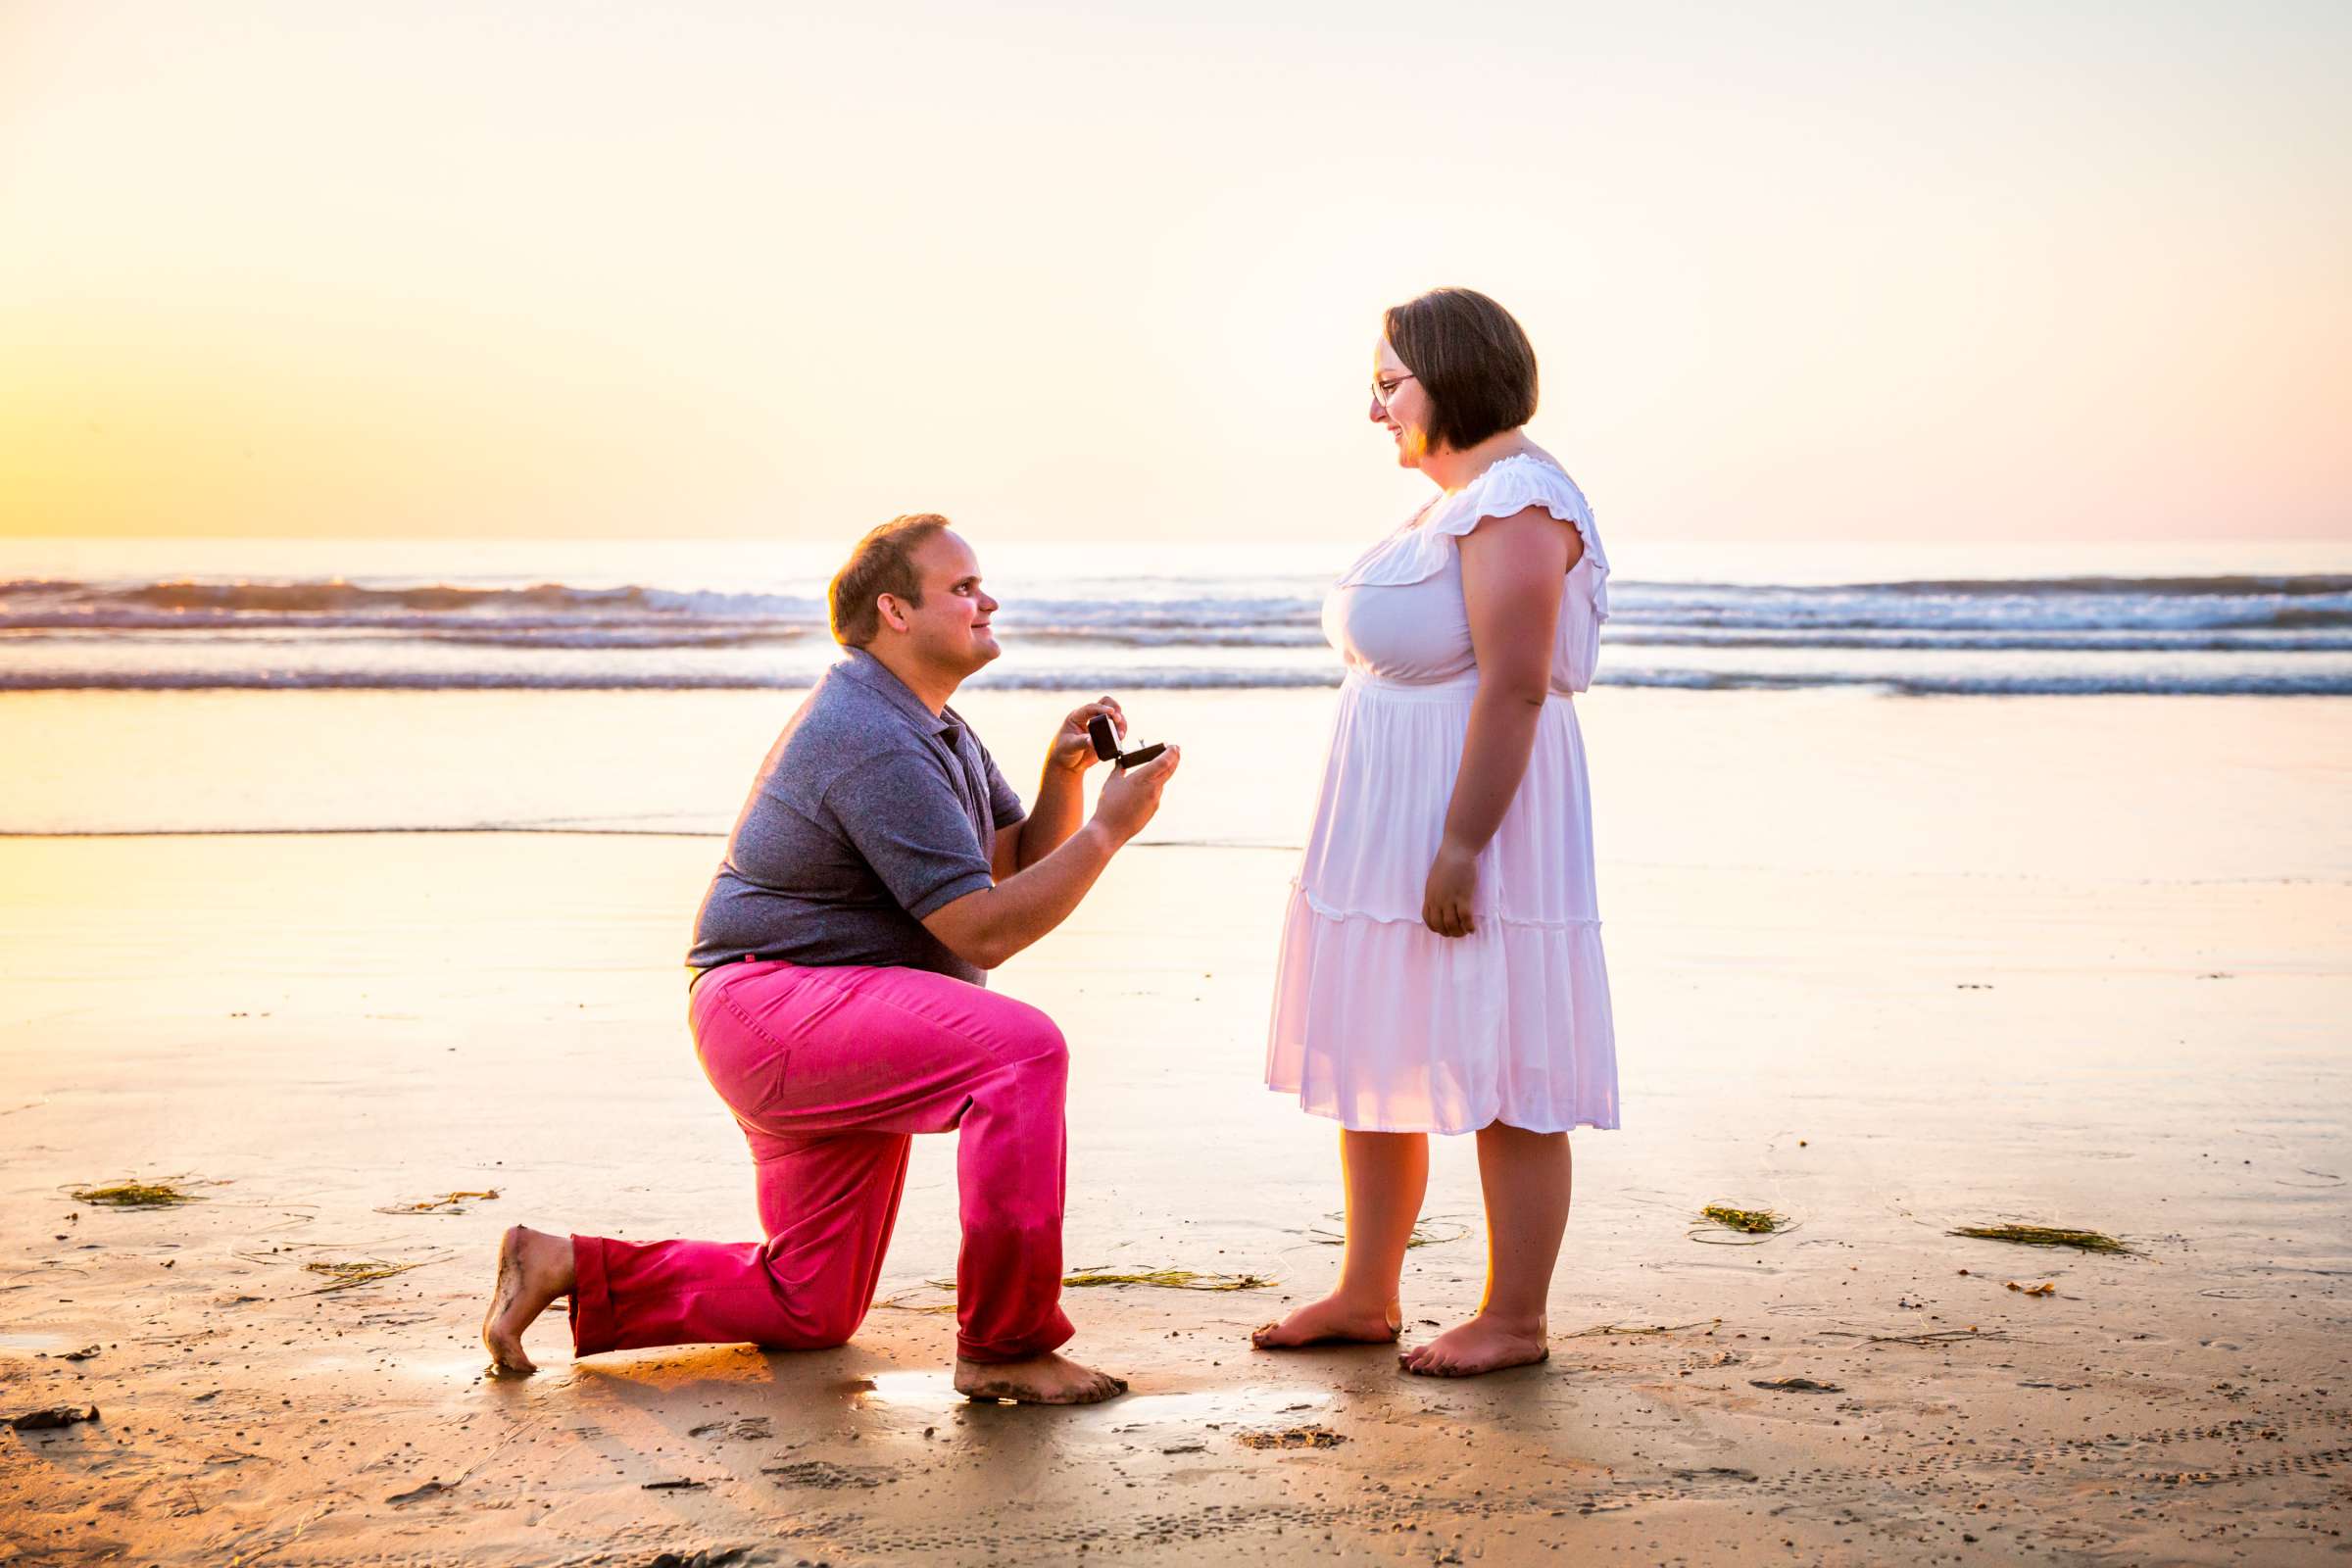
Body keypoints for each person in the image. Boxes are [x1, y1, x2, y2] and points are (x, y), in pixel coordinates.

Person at [481, 514, 1179, 1404]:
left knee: (809, 1305)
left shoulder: (930, 725)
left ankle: (564, 1264)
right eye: (962, 587)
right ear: (895, 610)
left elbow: (1003, 867)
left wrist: (1065, 778)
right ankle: (1006, 1347)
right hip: (775, 1009)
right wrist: (1111, 832)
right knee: (1020, 1053)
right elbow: (986, 932)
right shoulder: (873, 735)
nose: (987, 599)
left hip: (817, 1012)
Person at [1256, 287, 1618, 1377]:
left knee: (1507, 1065)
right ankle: (1368, 1292)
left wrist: (1460, 847)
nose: (1375, 411)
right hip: (1385, 832)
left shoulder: (1517, 499)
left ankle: (1515, 1318)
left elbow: (1513, 688)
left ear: (1450, 377)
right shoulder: (1455, 500)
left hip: (1481, 826)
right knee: (1376, 1045)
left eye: (1387, 385)